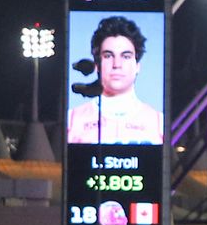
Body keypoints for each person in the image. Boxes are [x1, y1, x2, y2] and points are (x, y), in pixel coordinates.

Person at [66, 16, 163, 145]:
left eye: (126, 56)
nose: (117, 64)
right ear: (97, 64)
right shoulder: (72, 119)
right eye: (108, 56)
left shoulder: (158, 122)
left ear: (137, 66)